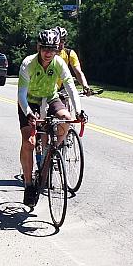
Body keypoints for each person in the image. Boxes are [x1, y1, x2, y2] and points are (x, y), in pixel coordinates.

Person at [18, 28, 83, 208]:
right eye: (45, 48)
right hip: (29, 102)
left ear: (57, 48)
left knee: (67, 120)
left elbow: (70, 87)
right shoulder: (28, 63)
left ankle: (51, 150)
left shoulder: (59, 63)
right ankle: (29, 184)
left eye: (52, 49)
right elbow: (21, 94)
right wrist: (28, 113)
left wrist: (79, 111)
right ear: (39, 47)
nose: (48, 53)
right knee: (29, 142)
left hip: (51, 98)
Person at [54, 26, 91, 94]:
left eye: (63, 40)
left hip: (62, 88)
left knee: (66, 103)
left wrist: (85, 86)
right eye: (59, 41)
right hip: (47, 88)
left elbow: (78, 72)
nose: (61, 44)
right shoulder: (47, 55)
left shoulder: (69, 54)